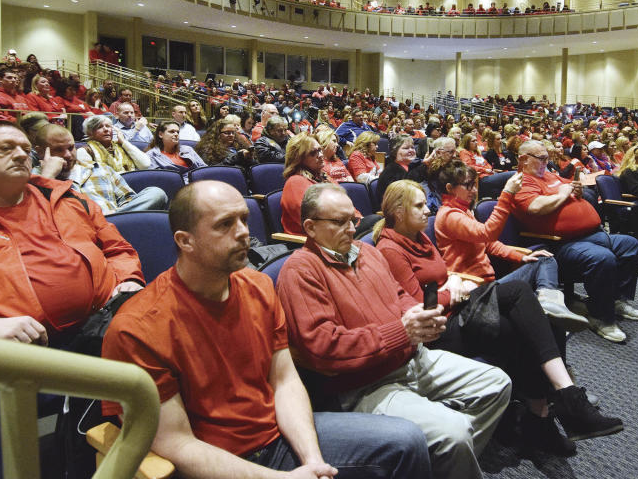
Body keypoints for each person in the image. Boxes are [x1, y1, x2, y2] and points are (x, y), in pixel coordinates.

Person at [102, 181, 431, 479]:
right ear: (185, 241)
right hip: (214, 461)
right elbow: (177, 444)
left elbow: (285, 381)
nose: (244, 232)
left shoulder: (259, 286)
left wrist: (312, 460)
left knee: (408, 441)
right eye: (225, 224)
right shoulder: (137, 329)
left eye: (244, 219)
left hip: (278, 436)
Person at [0, 120, 144, 479]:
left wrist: (126, 280)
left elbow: (119, 249)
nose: (21, 154)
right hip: (11, 353)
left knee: (168, 331)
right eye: (5, 148)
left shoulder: (69, 198)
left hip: (97, 328)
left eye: (24, 148)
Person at [277, 183, 512, 479]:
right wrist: (402, 331)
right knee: (455, 433)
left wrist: (417, 316)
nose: (351, 229)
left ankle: (437, 467)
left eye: (354, 219)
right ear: (310, 228)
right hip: (366, 385)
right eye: (339, 222)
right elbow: (324, 348)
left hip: (413, 359)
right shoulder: (300, 271)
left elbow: (399, 294)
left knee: (497, 384)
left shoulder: (367, 252)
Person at [375, 179, 623, 451]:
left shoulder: (419, 236)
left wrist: (452, 282)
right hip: (438, 330)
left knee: (535, 321)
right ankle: (561, 402)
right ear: (398, 213)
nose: (427, 210)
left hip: (458, 310)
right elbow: (419, 305)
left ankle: (543, 416)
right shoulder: (390, 249)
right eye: (419, 205)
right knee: (519, 299)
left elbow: (436, 278)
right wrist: (454, 291)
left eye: (425, 203)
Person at [510, 140, 638, 343]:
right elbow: (536, 207)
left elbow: (571, 188)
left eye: (548, 157)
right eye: (542, 158)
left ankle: (615, 299)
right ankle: (601, 317)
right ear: (524, 159)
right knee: (603, 258)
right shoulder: (521, 182)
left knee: (630, 245)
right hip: (560, 244)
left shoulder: (550, 175)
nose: (547, 161)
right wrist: (564, 193)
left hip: (591, 235)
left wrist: (576, 191)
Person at [433, 160, 588, 329]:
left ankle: (549, 302)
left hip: (488, 282)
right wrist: (506, 194)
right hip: (476, 289)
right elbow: (488, 232)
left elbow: (489, 244)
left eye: (474, 184)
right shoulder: (449, 215)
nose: (475, 190)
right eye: (468, 186)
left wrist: (522, 257)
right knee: (538, 296)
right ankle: (547, 306)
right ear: (449, 188)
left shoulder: (463, 211)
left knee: (543, 257)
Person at [34, 124, 167, 213]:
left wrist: (118, 216)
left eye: (70, 148)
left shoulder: (100, 169)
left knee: (156, 193)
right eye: (58, 150)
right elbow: (36, 218)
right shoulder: (32, 179)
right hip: (77, 233)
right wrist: (47, 178)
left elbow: (128, 199)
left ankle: (108, 224)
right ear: (40, 152)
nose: (68, 155)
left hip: (117, 224)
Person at [77, 114, 151, 173]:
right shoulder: (85, 151)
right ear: (90, 133)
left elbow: (145, 165)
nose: (106, 129)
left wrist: (124, 141)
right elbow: (93, 179)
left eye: (108, 126)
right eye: (99, 127)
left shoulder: (122, 146)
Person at [376, 134, 428, 205]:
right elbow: (405, 188)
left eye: (412, 147)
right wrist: (424, 165)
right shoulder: (390, 171)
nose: (411, 150)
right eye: (406, 148)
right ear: (395, 151)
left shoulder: (409, 167)